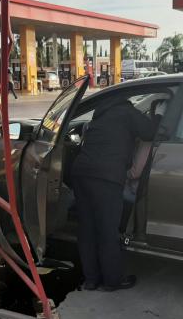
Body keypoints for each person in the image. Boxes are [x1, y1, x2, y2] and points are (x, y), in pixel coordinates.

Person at [71, 96, 165, 292]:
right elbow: (150, 133)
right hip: (106, 178)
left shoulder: (100, 116)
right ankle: (112, 281)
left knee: (87, 229)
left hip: (81, 173)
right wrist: (157, 116)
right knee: (107, 230)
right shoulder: (127, 111)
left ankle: (91, 280)